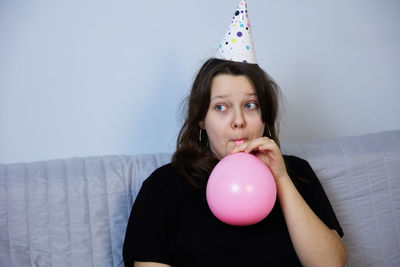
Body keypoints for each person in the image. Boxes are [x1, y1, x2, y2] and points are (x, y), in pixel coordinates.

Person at [124, 1, 347, 266]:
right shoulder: (165, 187)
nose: (238, 121)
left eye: (250, 105)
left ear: (266, 115)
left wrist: (281, 179)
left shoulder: (296, 174)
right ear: (201, 119)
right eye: (221, 107)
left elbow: (331, 264)